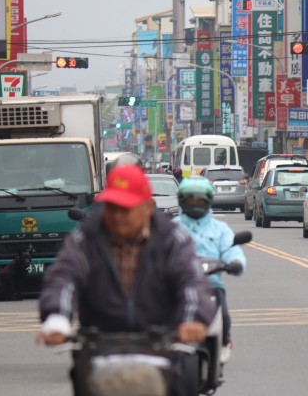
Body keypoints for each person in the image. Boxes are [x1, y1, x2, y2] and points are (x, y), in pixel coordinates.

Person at [36, 165, 216, 396]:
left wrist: (193, 320)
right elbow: (64, 277)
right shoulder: (85, 238)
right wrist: (56, 318)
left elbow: (192, 281)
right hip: (98, 351)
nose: (117, 215)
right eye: (111, 207)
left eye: (126, 208)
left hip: (160, 350)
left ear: (148, 208)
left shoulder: (173, 239)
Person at [172, 176, 246, 364]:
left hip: (211, 284)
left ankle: (224, 342)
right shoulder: (171, 227)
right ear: (181, 200)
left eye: (200, 199)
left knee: (224, 315)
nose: (195, 203)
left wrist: (235, 262)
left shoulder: (220, 229)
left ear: (209, 201)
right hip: (176, 285)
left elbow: (232, 249)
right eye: (191, 199)